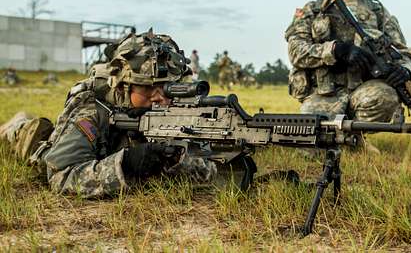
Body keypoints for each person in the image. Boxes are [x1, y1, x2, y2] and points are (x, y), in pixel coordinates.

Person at [0, 30, 254, 198]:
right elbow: (61, 176)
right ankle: (15, 124)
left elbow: (203, 168)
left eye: (167, 87)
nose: (160, 97)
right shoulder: (91, 112)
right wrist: (127, 164)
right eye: (148, 87)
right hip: (34, 139)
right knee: (27, 132)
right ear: (124, 84)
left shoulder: (172, 107)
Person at [284, 0, 411, 153]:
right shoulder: (312, 11)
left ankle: (354, 135)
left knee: (384, 96)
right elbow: (296, 51)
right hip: (325, 94)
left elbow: (405, 54)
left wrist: (404, 71)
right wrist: (335, 50)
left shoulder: (376, 11)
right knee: (308, 146)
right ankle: (345, 139)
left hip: (363, 91)